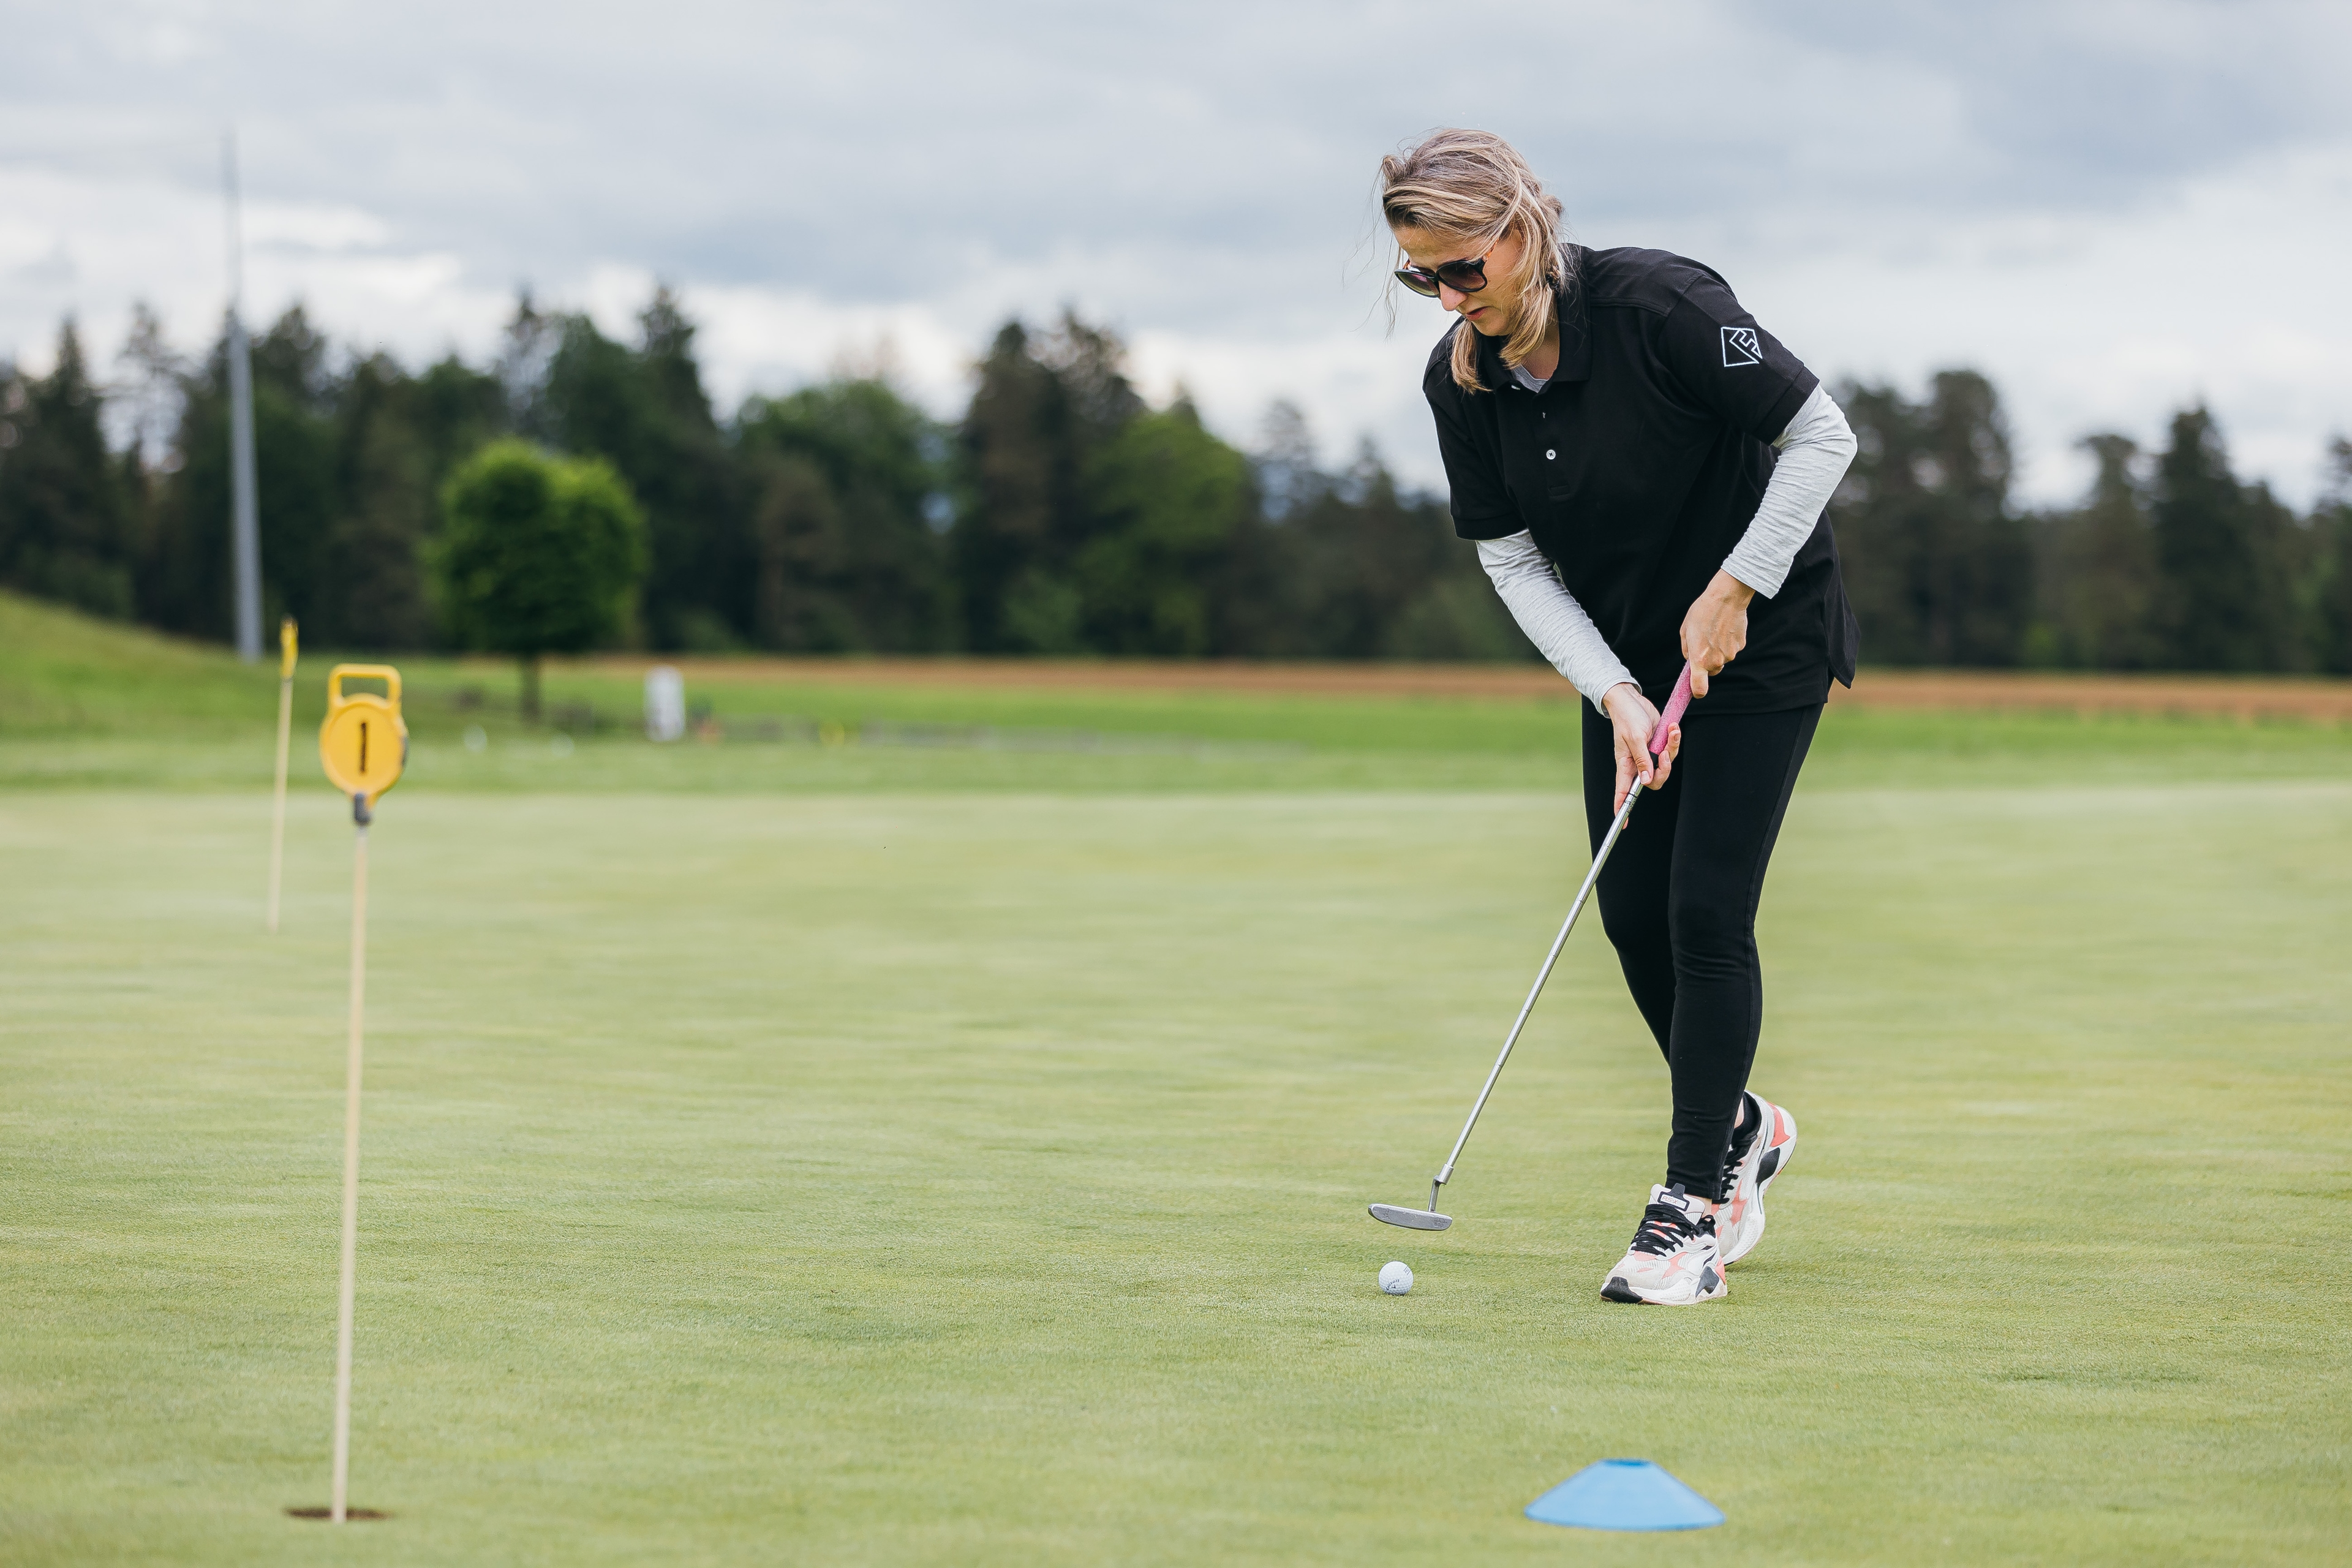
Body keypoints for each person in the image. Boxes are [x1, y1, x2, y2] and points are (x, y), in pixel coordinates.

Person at [1379, 128, 1859, 1305]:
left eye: (1462, 271)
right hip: (1634, 657)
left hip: (1764, 630)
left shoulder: (1664, 306)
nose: (1449, 300)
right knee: (1632, 915)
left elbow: (1820, 436)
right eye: (1420, 279)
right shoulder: (1462, 380)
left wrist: (1737, 585)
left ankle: (1691, 1208)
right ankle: (1742, 1124)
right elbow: (1514, 561)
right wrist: (1615, 692)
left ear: (1521, 233)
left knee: (1704, 910)